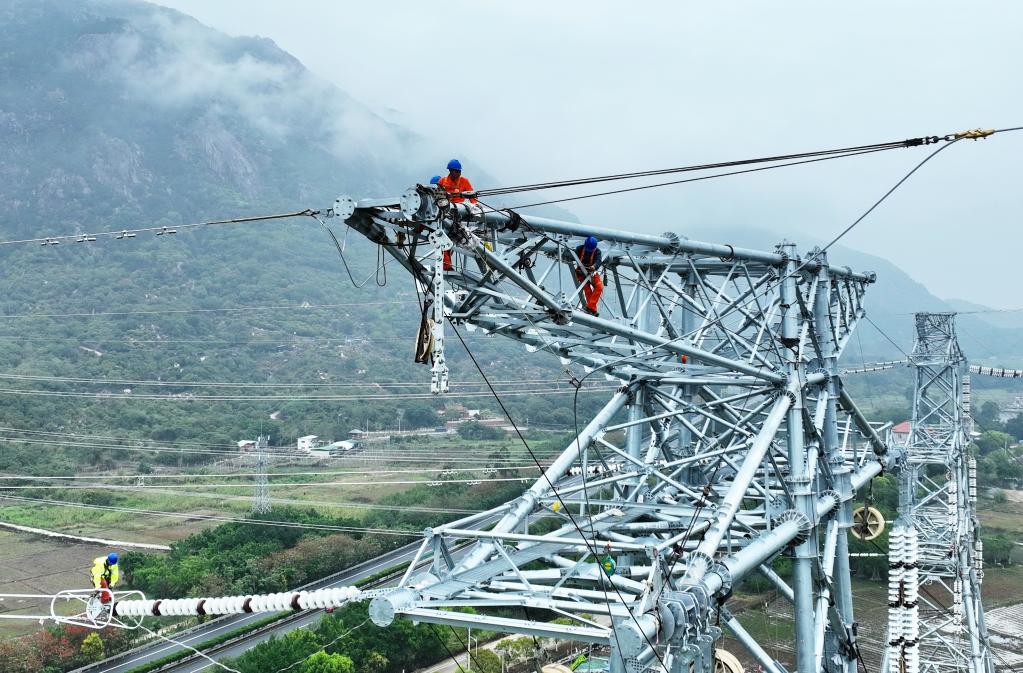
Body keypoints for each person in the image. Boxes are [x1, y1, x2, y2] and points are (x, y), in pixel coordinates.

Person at [436, 160, 477, 270]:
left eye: (458, 172)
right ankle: (446, 264)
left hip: (459, 211)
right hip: (446, 211)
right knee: (445, 237)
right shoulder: (443, 181)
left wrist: (474, 209)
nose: (456, 174)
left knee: (451, 238)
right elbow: (438, 195)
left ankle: (447, 263)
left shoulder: (464, 181)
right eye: (454, 171)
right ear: (451, 171)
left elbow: (472, 196)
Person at [575, 236, 604, 316]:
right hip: (581, 273)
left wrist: (594, 266)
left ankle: (590, 307)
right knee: (587, 290)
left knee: (599, 287)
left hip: (592, 273)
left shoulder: (597, 252)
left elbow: (598, 261)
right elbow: (573, 256)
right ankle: (592, 309)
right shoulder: (579, 249)